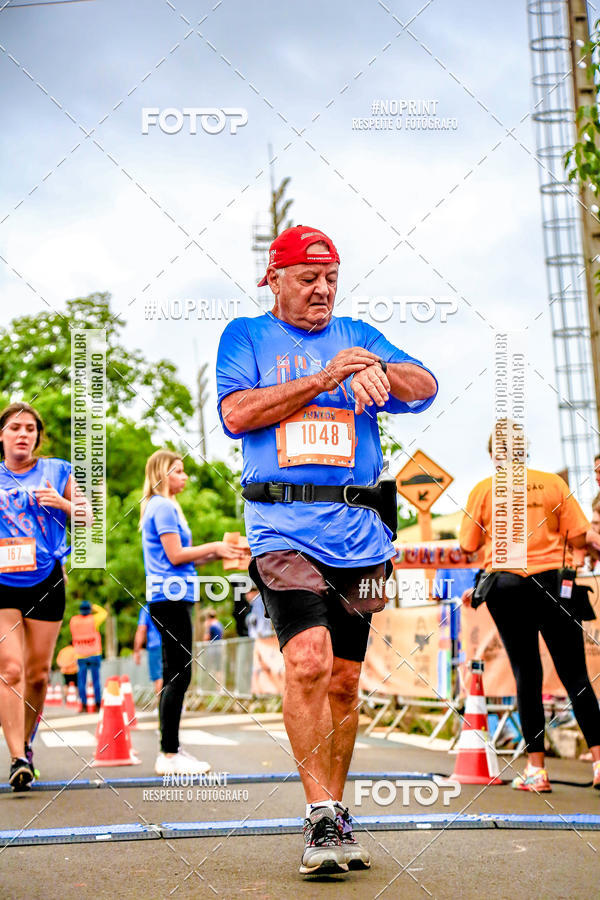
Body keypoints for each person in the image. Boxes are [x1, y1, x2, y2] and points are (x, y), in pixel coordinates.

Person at [216, 224, 437, 876]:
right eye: (308, 279)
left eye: (331, 279)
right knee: (307, 662)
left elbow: (424, 386)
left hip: (364, 538)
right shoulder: (247, 336)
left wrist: (378, 368)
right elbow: (236, 415)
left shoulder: (361, 335)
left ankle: (336, 810)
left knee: (344, 680)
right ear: (275, 279)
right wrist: (322, 377)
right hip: (282, 529)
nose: (322, 291)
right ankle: (317, 817)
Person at [460, 422, 600, 792]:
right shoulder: (552, 484)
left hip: (506, 585)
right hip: (554, 583)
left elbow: (467, 544)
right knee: (575, 675)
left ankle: (536, 771)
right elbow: (579, 534)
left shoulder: (483, 490)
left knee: (527, 673)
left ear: (493, 456)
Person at [0, 401, 91, 790]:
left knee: (38, 673)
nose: (24, 434)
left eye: (31, 429)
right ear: (2, 435)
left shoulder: (57, 470)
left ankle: (25, 742)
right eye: (16, 427)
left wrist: (64, 504)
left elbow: (90, 516)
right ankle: (17, 758)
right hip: (2, 582)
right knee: (11, 669)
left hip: (46, 579)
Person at [140, 449, 239, 776]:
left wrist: (218, 554)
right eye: (179, 471)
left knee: (176, 673)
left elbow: (184, 558)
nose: (184, 477)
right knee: (178, 675)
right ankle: (169, 752)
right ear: (163, 474)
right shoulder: (164, 506)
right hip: (169, 597)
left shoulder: (166, 507)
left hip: (172, 596)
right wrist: (215, 546)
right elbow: (176, 554)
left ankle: (172, 748)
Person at [69, 601, 107, 711]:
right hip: (94, 654)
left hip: (80, 655)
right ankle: (98, 704)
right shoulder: (93, 619)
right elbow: (104, 613)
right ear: (89, 610)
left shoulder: (74, 621)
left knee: (82, 681)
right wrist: (94, 606)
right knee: (96, 680)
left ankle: (84, 705)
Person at [133, 604, 163, 696]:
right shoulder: (170, 604)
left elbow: (141, 630)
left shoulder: (147, 609)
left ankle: (162, 706)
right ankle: (178, 704)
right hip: (170, 644)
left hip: (155, 646)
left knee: (158, 677)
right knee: (172, 674)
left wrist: (137, 650)